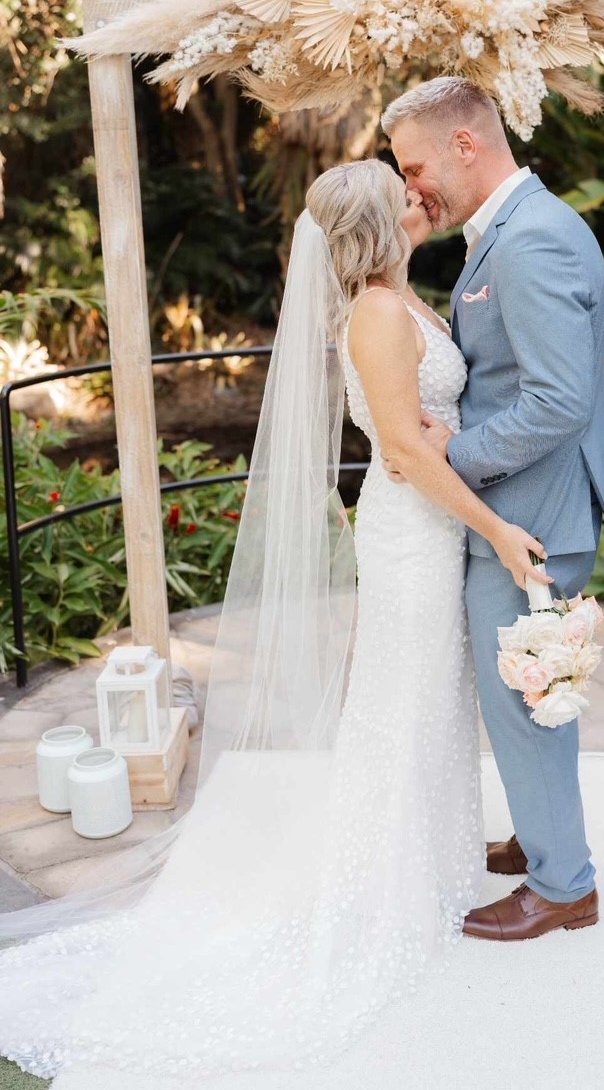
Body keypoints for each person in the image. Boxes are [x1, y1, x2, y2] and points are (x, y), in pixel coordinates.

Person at [0, 157, 552, 1085]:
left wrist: (453, 439)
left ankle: (433, 864)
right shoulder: (376, 316)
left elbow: (426, 422)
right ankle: (386, 891)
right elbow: (408, 457)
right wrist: (497, 527)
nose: (418, 193)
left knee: (434, 698)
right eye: (400, 190)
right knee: (404, 701)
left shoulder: (401, 298)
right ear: (376, 227)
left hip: (430, 523)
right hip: (414, 531)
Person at [382, 76, 604, 942]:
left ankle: (565, 888)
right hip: (525, 513)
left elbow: (558, 400)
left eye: (414, 165)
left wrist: (454, 456)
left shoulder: (531, 243)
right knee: (529, 695)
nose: (412, 188)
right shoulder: (516, 232)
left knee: (523, 701)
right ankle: (542, 837)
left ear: (464, 144)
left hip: (530, 522)